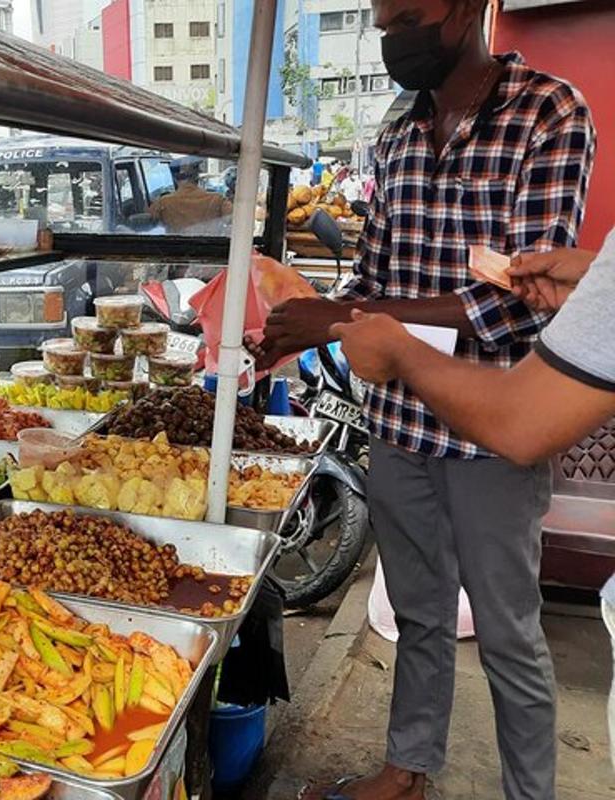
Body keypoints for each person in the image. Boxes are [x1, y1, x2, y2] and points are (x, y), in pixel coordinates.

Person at [254, 2, 597, 799]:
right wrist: (309, 320)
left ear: (471, 7)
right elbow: (375, 284)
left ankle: (529, 791)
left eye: (408, 16)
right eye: (382, 23)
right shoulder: (398, 132)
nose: (392, 37)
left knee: (510, 634)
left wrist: (342, 319)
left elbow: (519, 298)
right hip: (399, 425)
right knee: (419, 612)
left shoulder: (549, 113)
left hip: (496, 430)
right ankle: (409, 768)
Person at [148, 160, 226, 234]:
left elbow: (146, 221)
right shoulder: (218, 200)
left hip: (175, 246)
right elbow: (234, 220)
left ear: (175, 178)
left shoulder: (163, 202)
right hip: (213, 247)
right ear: (197, 177)